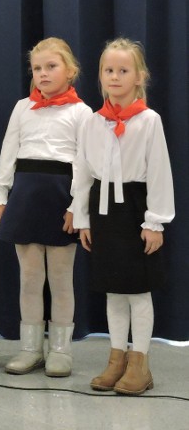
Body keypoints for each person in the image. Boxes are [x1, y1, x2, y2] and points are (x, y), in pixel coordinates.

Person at [73, 38, 174, 395]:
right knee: (113, 290)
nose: (114, 77)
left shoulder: (149, 121)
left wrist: (154, 222)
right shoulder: (92, 121)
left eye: (123, 70)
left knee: (137, 289)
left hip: (135, 207)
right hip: (103, 208)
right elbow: (82, 169)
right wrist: (82, 216)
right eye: (108, 70)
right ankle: (116, 358)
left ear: (139, 76)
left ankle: (140, 363)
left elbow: (160, 172)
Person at [0, 38, 92, 377]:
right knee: (30, 277)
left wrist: (78, 206)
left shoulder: (81, 112)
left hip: (61, 195)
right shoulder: (23, 107)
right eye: (37, 68)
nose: (43, 73)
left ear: (70, 70)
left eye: (51, 66)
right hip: (26, 194)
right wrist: (1, 196)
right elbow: (9, 150)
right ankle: (30, 347)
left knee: (61, 278)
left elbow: (84, 162)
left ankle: (61, 349)